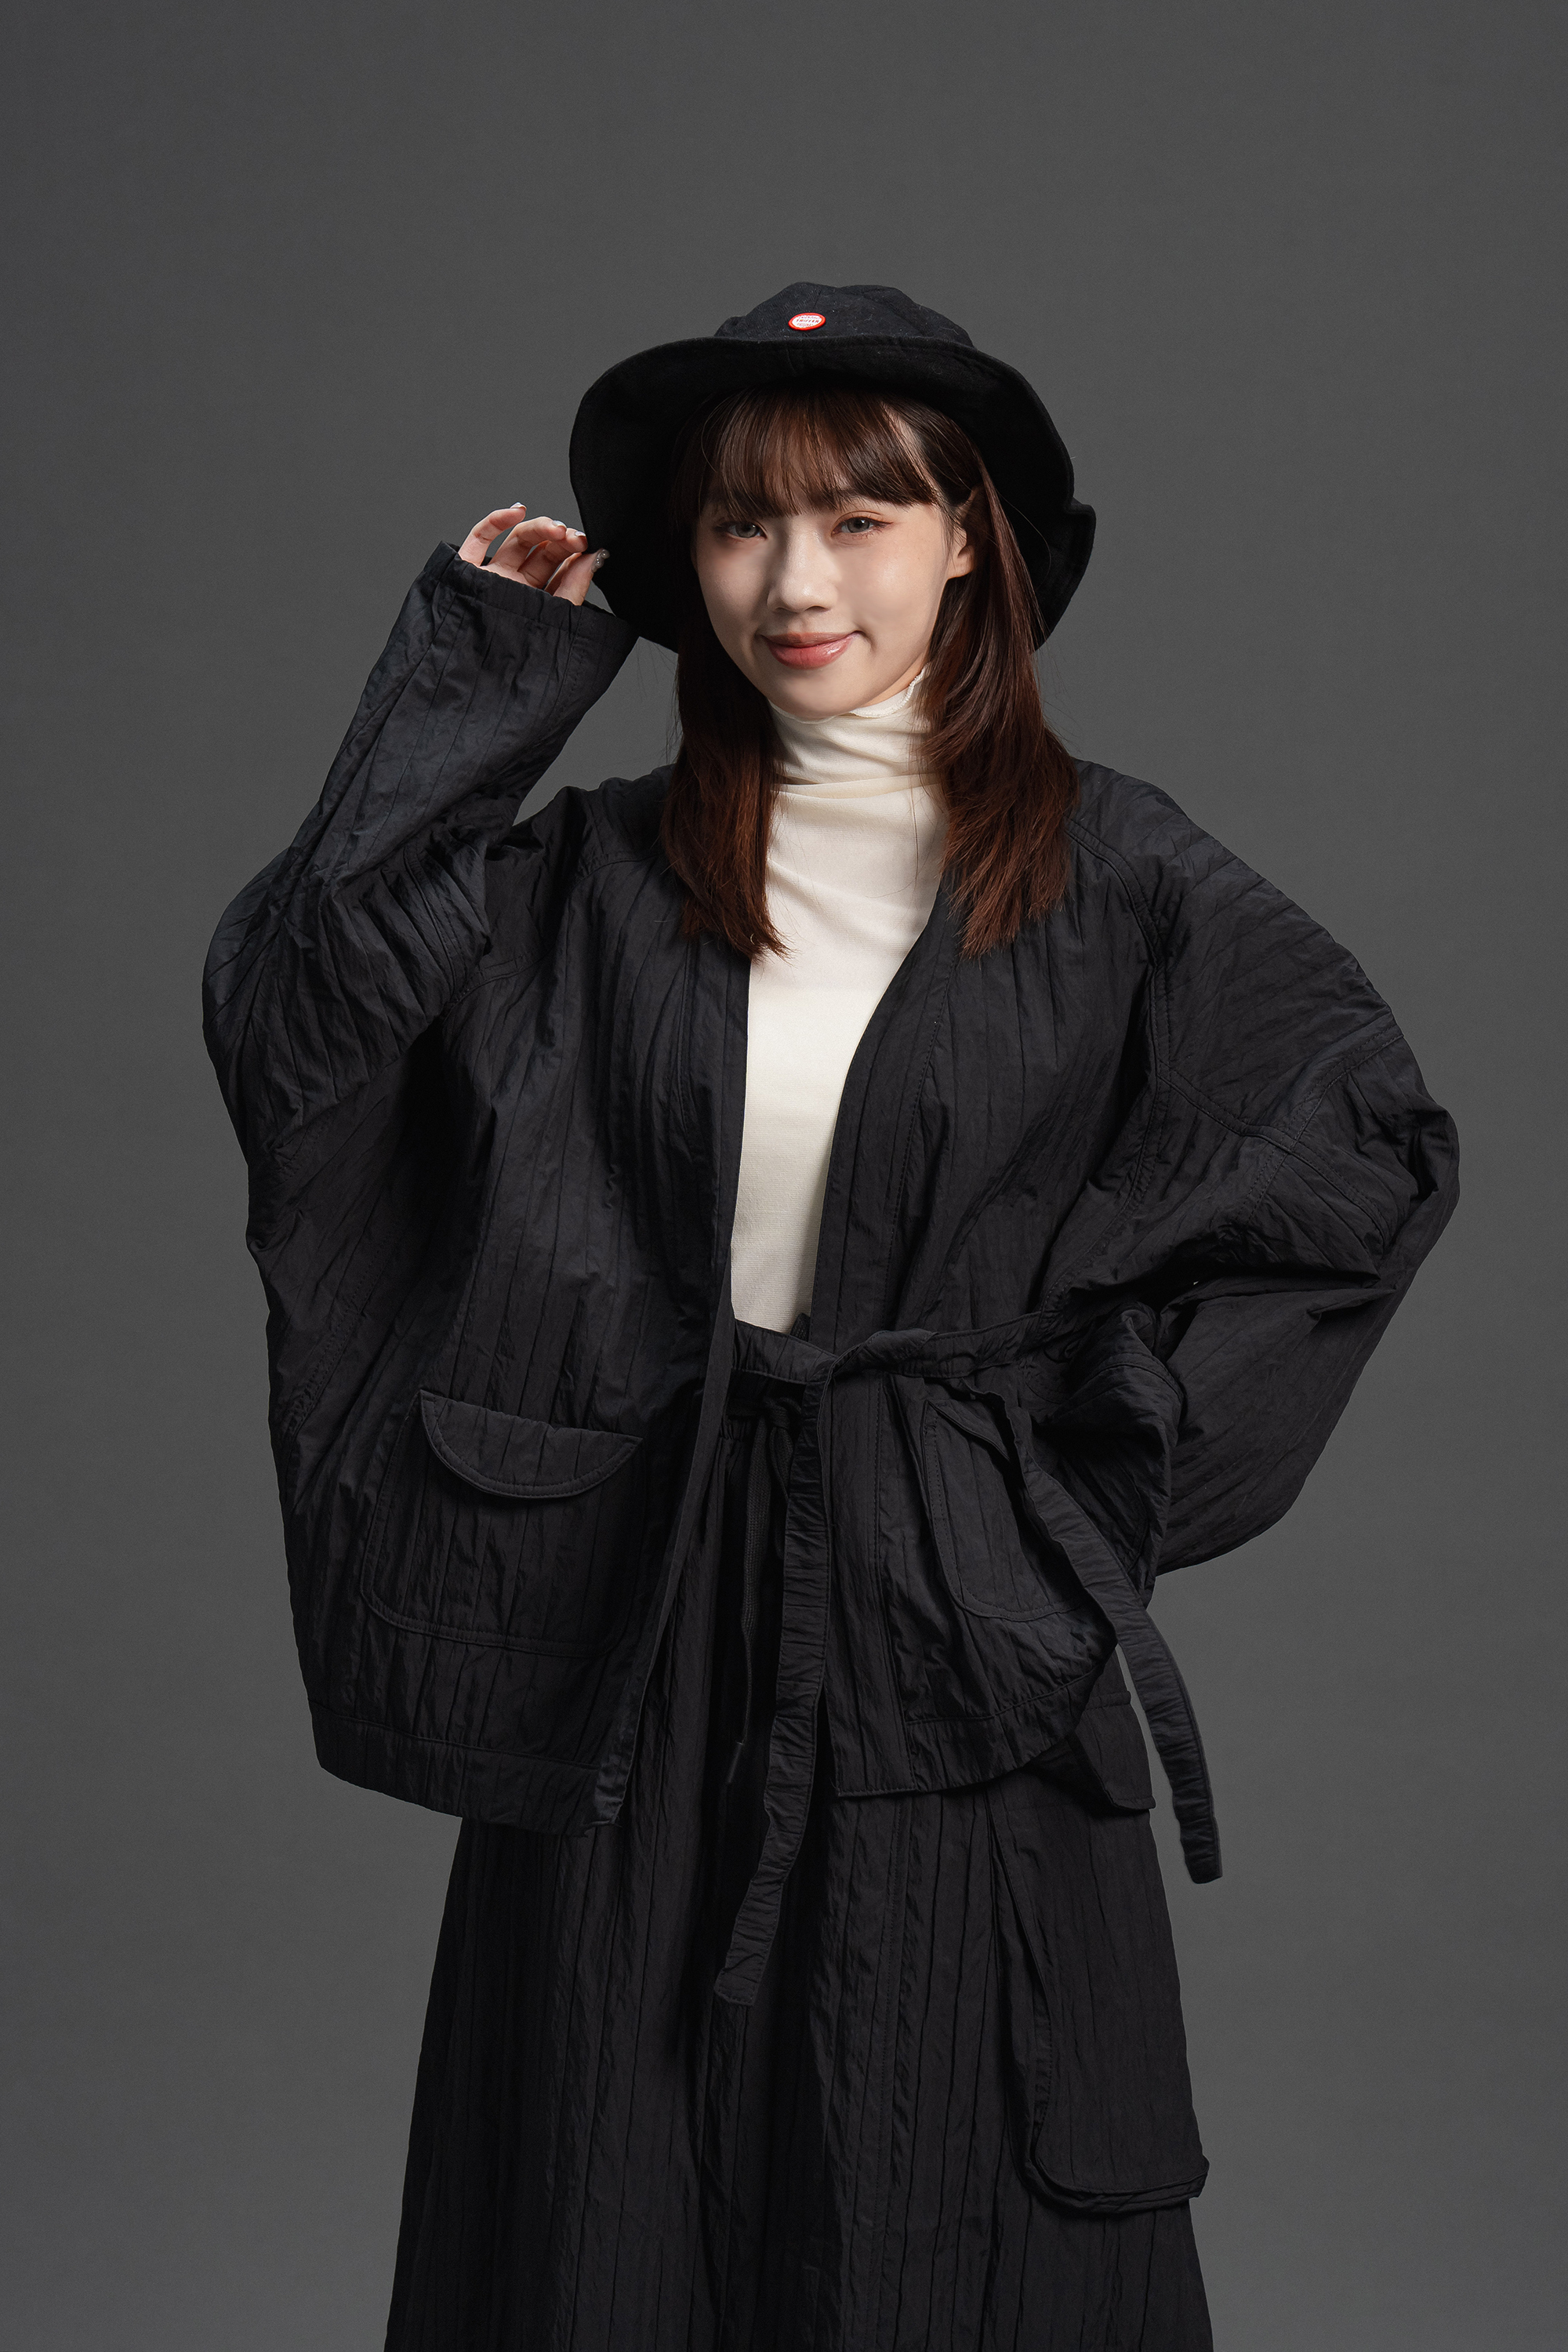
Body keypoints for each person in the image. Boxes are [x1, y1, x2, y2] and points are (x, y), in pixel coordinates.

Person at [203, 283, 1458, 2352]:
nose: (797, 583)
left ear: (969, 538)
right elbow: (297, 1027)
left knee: (949, 2201)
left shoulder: (1124, 876)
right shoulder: (594, 877)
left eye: (860, 519)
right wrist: (481, 682)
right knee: (597, 2205)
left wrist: (1071, 1481)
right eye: (740, 524)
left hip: (957, 1615)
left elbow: (1357, 1161)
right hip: (628, 1609)